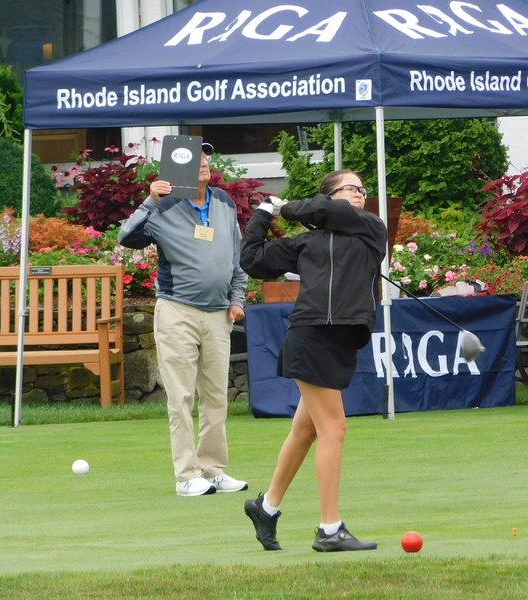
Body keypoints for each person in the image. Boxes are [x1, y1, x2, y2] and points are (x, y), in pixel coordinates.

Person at [240, 170, 388, 552]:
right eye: (350, 188)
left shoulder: (371, 228)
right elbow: (252, 260)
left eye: (362, 189)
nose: (359, 194)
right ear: (330, 195)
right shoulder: (306, 242)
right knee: (333, 429)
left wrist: (286, 207)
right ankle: (329, 529)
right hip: (311, 335)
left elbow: (331, 212)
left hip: (340, 340)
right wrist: (263, 213)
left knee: (306, 431)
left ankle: (265, 507)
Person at [118, 141, 249, 496]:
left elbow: (236, 259)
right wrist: (151, 200)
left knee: (216, 396)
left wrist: (237, 298)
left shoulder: (224, 202)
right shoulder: (163, 206)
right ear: (176, 169)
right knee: (180, 397)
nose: (203, 164)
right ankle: (187, 476)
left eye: (205, 158)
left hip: (218, 313)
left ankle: (212, 469)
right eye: (194, 160)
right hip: (177, 310)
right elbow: (126, 237)